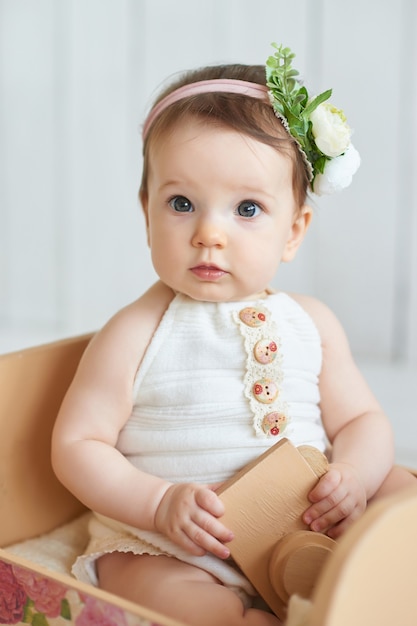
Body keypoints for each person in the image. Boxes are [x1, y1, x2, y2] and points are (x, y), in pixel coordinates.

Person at [51, 44, 416, 626]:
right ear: (146, 211)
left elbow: (362, 423)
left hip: (307, 525)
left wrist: (353, 477)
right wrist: (157, 503)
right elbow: (77, 446)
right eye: (181, 203)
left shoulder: (312, 322)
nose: (209, 233)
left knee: (401, 492)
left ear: (293, 230)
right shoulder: (134, 331)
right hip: (184, 547)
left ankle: (360, 585)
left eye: (247, 209)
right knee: (145, 579)